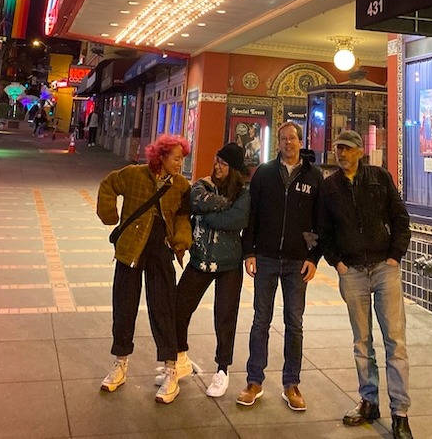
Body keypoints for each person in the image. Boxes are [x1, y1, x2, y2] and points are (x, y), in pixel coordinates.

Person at [317, 130, 414, 439]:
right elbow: (323, 230)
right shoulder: (329, 186)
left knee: (395, 341)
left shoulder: (379, 178)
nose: (341, 154)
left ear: (360, 151)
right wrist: (337, 263)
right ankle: (369, 402)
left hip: (384, 268)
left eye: (347, 149)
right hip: (352, 272)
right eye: (338, 149)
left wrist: (395, 255)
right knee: (362, 342)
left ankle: (400, 413)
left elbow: (400, 217)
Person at [96, 134, 193, 404]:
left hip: (161, 251)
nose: (180, 164)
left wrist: (181, 240)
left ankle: (171, 369)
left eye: (182, 159)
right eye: (176, 158)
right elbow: (108, 184)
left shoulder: (181, 186)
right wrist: (110, 214)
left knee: (164, 308)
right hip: (131, 249)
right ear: (160, 156)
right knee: (124, 305)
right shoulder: (134, 174)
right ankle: (120, 363)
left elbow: (183, 216)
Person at [237, 121, 323, 411]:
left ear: (301, 141)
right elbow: (252, 215)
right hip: (266, 257)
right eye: (283, 138)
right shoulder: (264, 173)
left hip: (298, 262)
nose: (288, 142)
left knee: (294, 323)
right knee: (260, 320)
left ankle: (291, 384)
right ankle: (254, 381)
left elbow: (318, 221)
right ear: (278, 142)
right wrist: (249, 251)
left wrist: (312, 257)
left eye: (293, 138)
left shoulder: (314, 177)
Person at [154, 142, 250, 399]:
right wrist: (224, 206)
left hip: (229, 264)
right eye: (217, 160)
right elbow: (195, 200)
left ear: (234, 169)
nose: (217, 166)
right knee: (178, 308)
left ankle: (222, 369)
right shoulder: (202, 185)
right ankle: (180, 358)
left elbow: (238, 219)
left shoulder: (243, 193)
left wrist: (208, 216)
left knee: (225, 317)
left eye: (224, 163)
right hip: (200, 260)